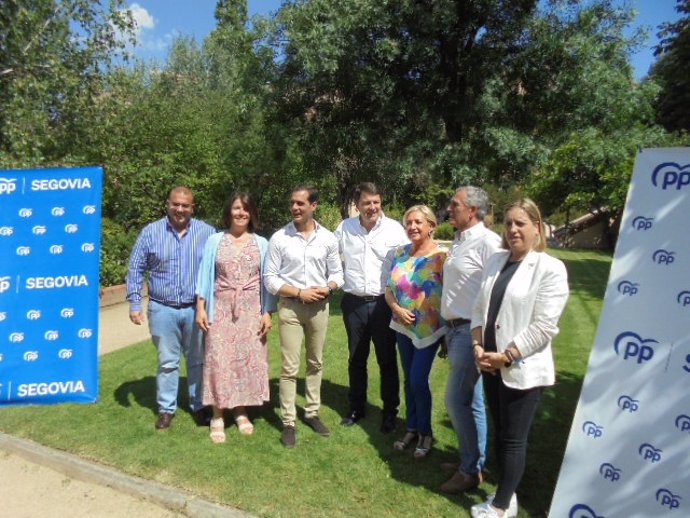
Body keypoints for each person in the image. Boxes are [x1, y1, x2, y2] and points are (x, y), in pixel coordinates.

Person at [470, 198, 569, 518]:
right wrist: (476, 346)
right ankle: (506, 494)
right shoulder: (496, 260)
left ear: (537, 229)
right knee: (501, 432)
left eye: (521, 223)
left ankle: (499, 507)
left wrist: (507, 356)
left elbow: (544, 325)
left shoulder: (550, 268)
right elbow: (478, 309)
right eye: (509, 223)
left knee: (514, 440)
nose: (512, 229)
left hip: (521, 368)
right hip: (489, 365)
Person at [126, 186, 215, 430]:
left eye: (185, 205)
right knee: (167, 361)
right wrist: (135, 302)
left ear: (192, 208)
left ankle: (199, 405)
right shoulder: (150, 232)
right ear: (168, 204)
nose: (180, 209)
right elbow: (135, 269)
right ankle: (166, 409)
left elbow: (217, 271)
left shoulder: (207, 232)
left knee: (197, 361)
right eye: (176, 204)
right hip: (162, 309)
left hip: (196, 309)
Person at [263, 185, 344, 448]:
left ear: (313, 206)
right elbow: (270, 279)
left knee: (315, 362)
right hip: (290, 307)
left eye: (301, 203)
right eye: (292, 203)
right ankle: (288, 421)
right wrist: (299, 292)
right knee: (289, 367)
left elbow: (338, 274)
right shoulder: (280, 238)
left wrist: (329, 287)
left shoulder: (329, 239)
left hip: (320, 308)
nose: (295, 208)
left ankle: (312, 412)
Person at [195, 192, 277, 443]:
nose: (241, 213)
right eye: (236, 208)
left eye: (245, 209)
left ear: (252, 213)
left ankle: (241, 410)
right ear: (229, 211)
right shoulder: (215, 241)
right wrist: (200, 307)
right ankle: (218, 413)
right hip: (220, 308)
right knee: (218, 359)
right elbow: (205, 275)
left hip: (251, 311)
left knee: (244, 360)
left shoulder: (262, 243)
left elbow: (267, 280)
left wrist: (267, 312)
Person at [439, 187, 502, 493]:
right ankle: (474, 463)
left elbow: (498, 291)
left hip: (470, 331)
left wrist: (483, 337)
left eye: (455, 204)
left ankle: (468, 471)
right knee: (473, 401)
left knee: (455, 399)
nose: (449, 209)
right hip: (453, 328)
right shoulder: (461, 239)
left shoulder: (488, 243)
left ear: (473, 210)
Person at [334, 182, 408, 433]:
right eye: (367, 203)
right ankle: (356, 408)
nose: (372, 207)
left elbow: (408, 263)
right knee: (356, 358)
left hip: (383, 304)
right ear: (357, 205)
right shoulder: (345, 228)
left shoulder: (395, 230)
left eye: (376, 202)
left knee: (386, 360)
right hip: (353, 303)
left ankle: (390, 411)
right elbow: (329, 257)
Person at [385, 205, 447, 459]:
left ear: (431, 225)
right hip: (402, 326)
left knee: (419, 380)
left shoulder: (442, 256)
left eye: (418, 222)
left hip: (430, 330)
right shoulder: (400, 253)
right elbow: (389, 289)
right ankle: (411, 428)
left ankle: (426, 433)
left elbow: (450, 295)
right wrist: (397, 309)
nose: (413, 227)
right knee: (408, 379)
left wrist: (448, 335)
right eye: (409, 222)